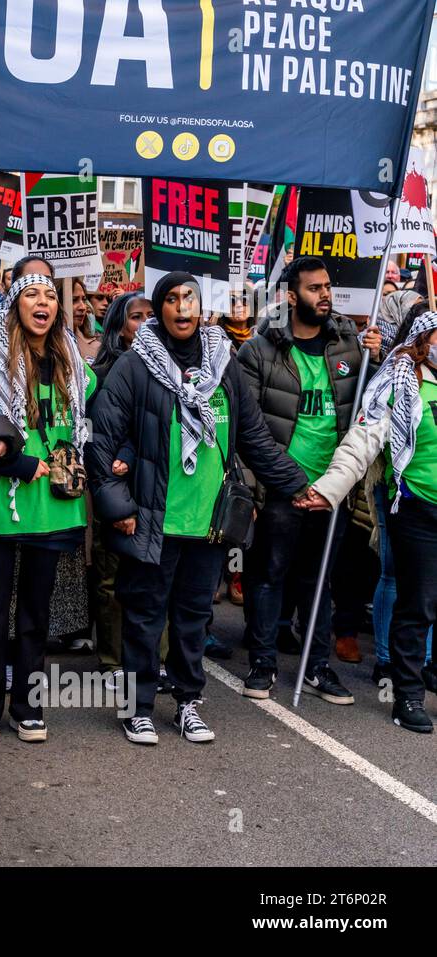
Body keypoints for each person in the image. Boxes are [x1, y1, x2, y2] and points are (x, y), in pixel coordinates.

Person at [90, 272, 306, 745]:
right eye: (171, 299)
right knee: (146, 617)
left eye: (190, 297)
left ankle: (188, 702)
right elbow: (101, 442)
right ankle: (137, 707)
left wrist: (297, 485)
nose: (182, 307)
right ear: (160, 308)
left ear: (200, 306)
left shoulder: (222, 364)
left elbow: (253, 437)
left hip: (208, 524)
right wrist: (116, 506)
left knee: (192, 620)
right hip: (151, 518)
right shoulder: (134, 366)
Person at [236, 257, 378, 704]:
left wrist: (378, 353)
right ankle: (262, 664)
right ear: (292, 296)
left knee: (318, 582)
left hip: (330, 490)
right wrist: (264, 486)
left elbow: (371, 407)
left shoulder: (350, 343)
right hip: (280, 487)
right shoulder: (259, 350)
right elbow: (246, 425)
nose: (326, 294)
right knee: (267, 576)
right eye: (314, 288)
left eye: (327, 286)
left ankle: (317, 667)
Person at [0, 274, 94, 743]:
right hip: (1, 506)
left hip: (54, 509)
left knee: (37, 614)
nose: (44, 302)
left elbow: (91, 426)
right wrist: (19, 463)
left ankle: (29, 705)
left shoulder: (75, 367)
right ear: (14, 305)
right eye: (32, 294)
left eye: (52, 295)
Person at [300, 313, 437, 732]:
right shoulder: (400, 380)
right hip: (417, 511)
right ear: (423, 340)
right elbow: (362, 441)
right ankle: (407, 695)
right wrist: (329, 488)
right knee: (418, 603)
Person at [88, 292, 153, 683]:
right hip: (115, 483)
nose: (144, 323)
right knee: (112, 578)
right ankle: (113, 662)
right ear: (119, 326)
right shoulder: (102, 374)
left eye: (150, 315)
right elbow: (97, 438)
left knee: (153, 574)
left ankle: (152, 660)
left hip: (156, 488)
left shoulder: (174, 370)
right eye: (135, 317)